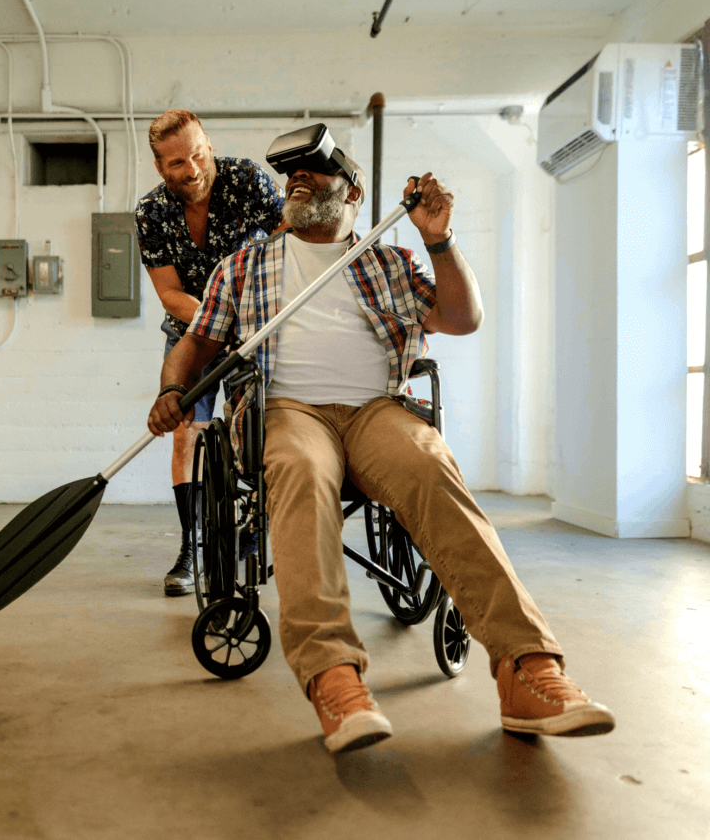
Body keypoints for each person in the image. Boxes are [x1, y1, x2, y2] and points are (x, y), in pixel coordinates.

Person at [147, 148, 615, 753]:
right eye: (292, 171)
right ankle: (334, 676)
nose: (298, 177)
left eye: (316, 170)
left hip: (376, 408)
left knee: (429, 462)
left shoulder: (387, 260)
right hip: (288, 409)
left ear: (353, 195)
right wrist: (171, 389)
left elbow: (461, 317)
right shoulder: (244, 266)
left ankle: (528, 669)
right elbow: (196, 343)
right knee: (300, 469)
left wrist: (438, 240)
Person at [135, 110, 284, 595]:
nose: (193, 168)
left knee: (260, 432)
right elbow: (168, 292)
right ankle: (192, 546)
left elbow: (292, 246)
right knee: (186, 435)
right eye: (178, 161)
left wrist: (243, 321)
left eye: (199, 152)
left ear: (209, 143)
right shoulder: (151, 212)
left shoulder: (248, 181)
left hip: (253, 333)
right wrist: (212, 323)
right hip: (192, 329)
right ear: (161, 168)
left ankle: (256, 530)